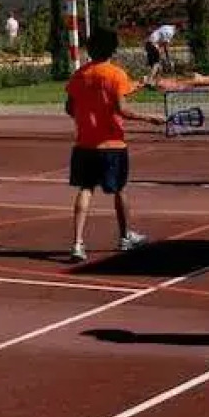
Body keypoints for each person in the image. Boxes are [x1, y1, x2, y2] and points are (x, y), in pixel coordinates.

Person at [64, 26, 163, 263]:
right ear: (113, 49)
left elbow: (69, 107)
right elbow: (121, 109)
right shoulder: (116, 74)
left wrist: (87, 115)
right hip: (112, 144)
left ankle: (77, 243)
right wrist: (151, 118)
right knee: (119, 189)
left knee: (86, 189)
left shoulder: (79, 75)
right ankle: (125, 236)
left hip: (85, 143)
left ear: (89, 48)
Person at [143, 22, 178, 87]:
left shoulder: (166, 26)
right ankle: (149, 81)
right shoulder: (170, 32)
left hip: (148, 44)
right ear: (177, 28)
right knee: (156, 64)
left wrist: (161, 52)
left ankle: (156, 81)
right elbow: (166, 46)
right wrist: (169, 59)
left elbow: (161, 41)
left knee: (154, 64)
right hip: (153, 44)